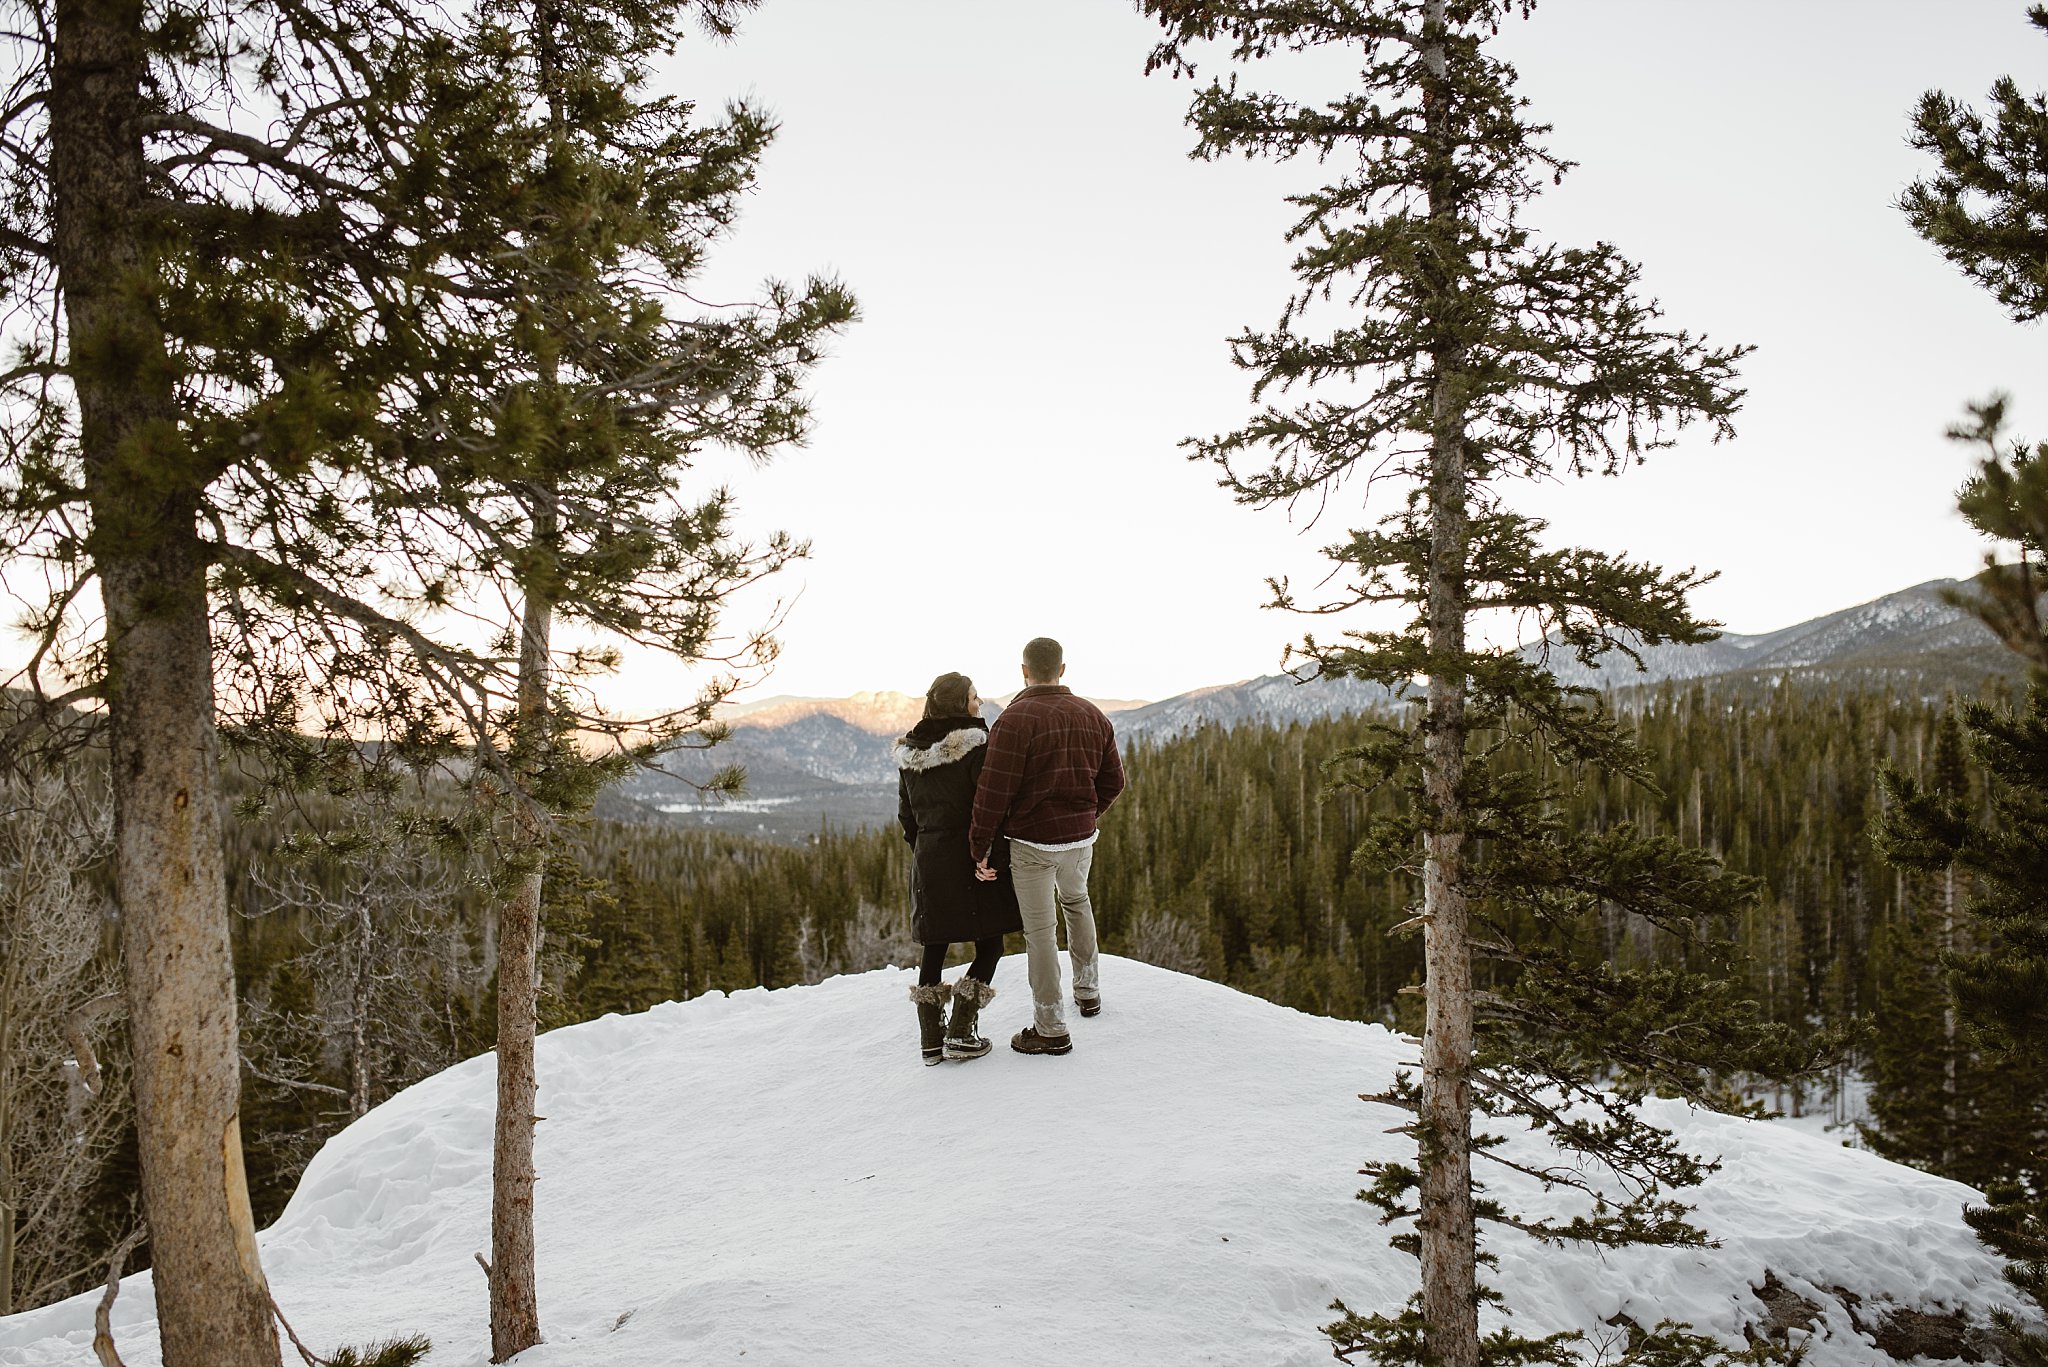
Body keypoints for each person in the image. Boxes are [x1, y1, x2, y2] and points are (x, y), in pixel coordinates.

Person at [968, 637, 1125, 1056]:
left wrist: (979, 845)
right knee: (1078, 903)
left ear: (1024, 670)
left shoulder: (1014, 720)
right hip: (1079, 840)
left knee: (1040, 933)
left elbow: (993, 792)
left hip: (1031, 843)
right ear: (1062, 669)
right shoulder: (1094, 715)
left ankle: (1050, 1026)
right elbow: (1115, 782)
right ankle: (1088, 991)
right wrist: (1088, 816)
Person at [894, 671, 1023, 1065]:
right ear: (957, 704)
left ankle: (931, 1042)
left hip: (929, 858)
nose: (979, 704)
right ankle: (961, 1031)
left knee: (935, 946)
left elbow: (906, 817)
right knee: (990, 944)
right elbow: (989, 809)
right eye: (973, 698)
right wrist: (989, 857)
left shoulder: (909, 755)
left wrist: (926, 850)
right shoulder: (976, 749)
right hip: (971, 856)